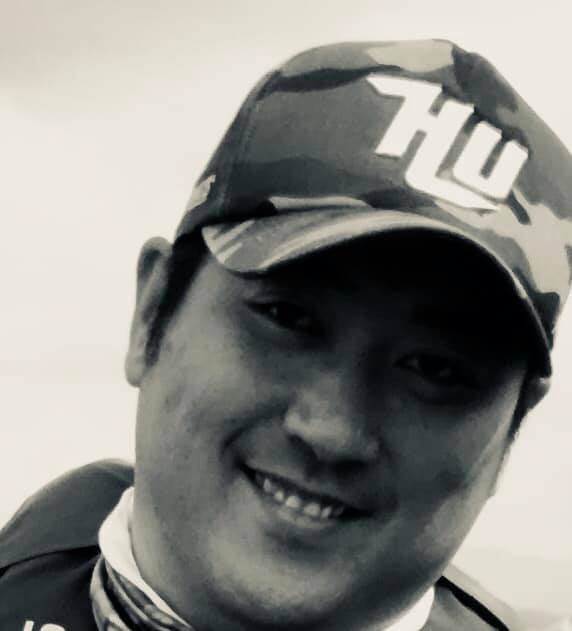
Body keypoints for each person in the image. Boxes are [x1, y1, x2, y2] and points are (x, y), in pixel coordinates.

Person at [1, 38, 571, 631]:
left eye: (436, 369)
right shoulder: (31, 558)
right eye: (289, 317)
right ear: (151, 313)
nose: (334, 432)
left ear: (511, 430)